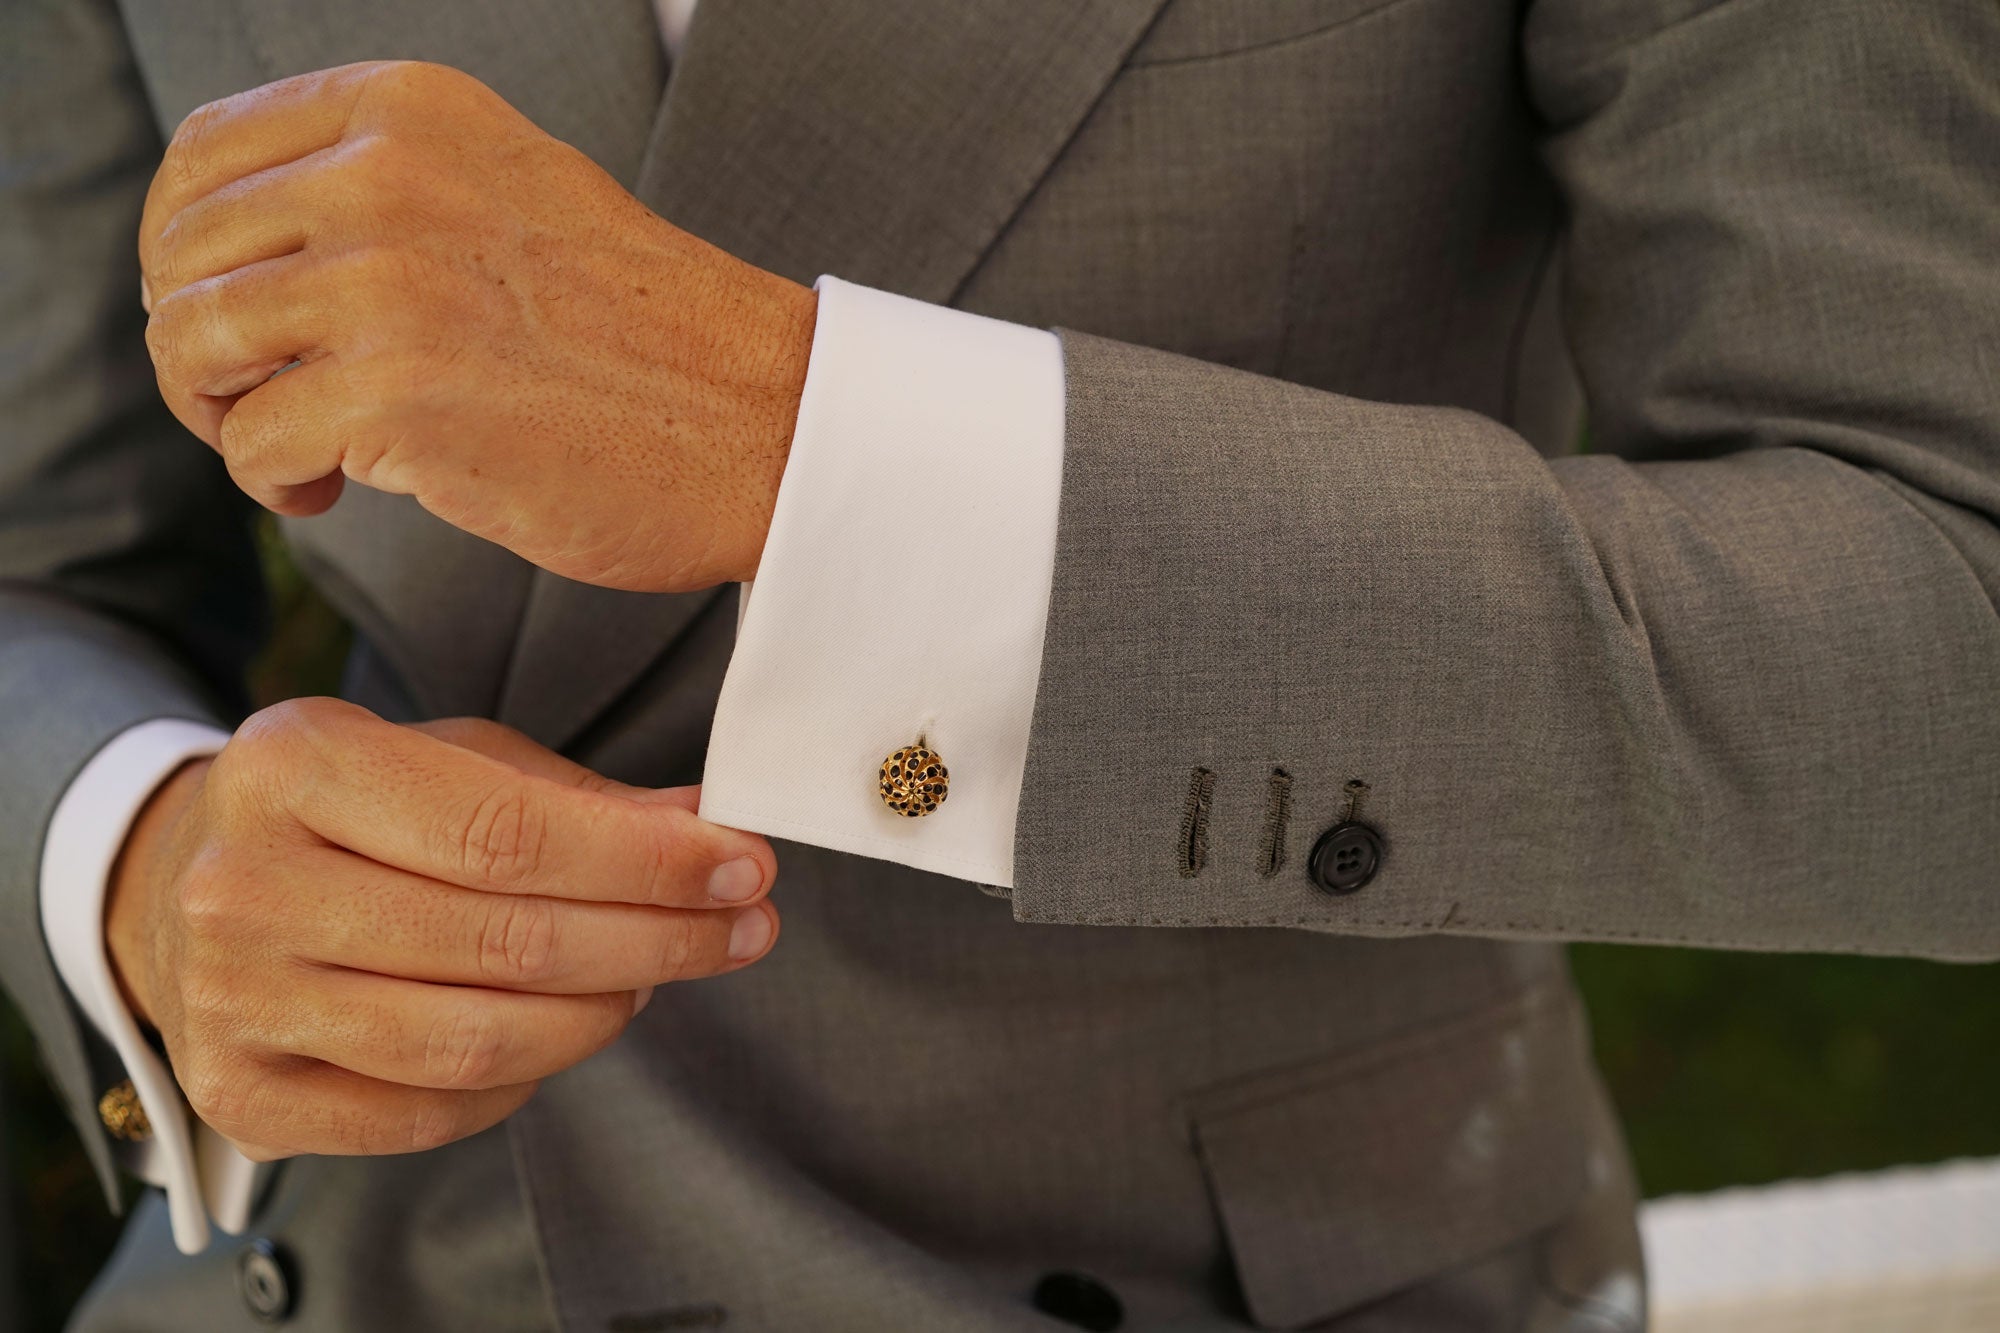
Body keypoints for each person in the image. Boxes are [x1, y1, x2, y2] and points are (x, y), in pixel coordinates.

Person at [3, 0, 1995, 1329]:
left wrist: (815, 447)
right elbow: (39, 566)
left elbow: (1946, 628)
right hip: (351, 1267)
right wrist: (140, 861)